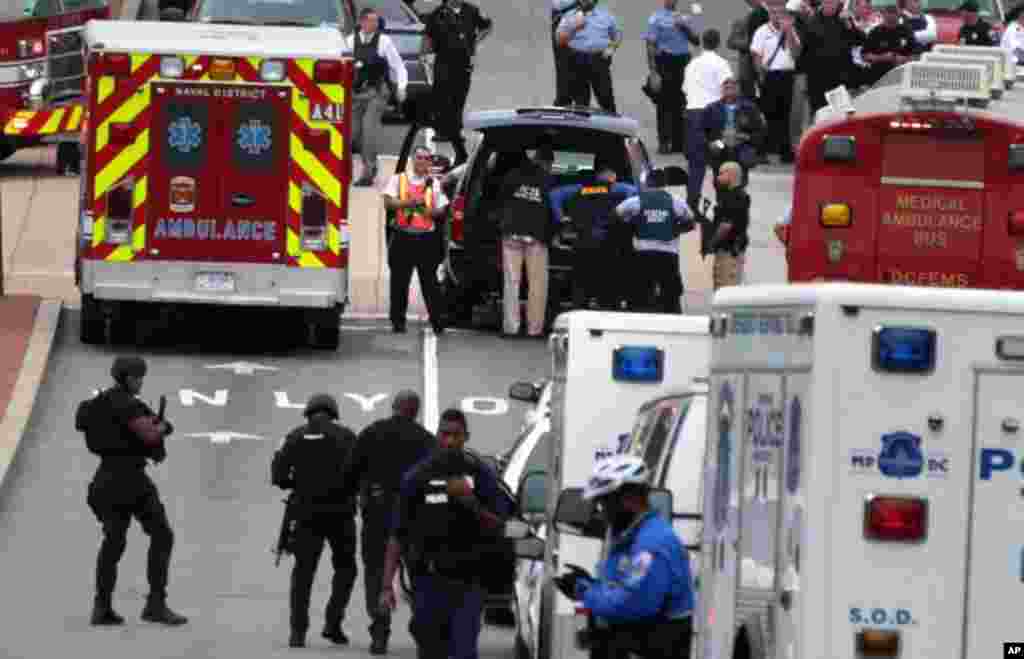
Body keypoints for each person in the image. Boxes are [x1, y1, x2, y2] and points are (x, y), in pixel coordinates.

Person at [378, 408, 513, 659]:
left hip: (468, 580)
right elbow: (397, 534)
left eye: (456, 435)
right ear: (438, 435)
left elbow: (501, 526)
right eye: (445, 434)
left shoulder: (480, 475)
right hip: (428, 581)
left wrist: (472, 504)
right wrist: (387, 586)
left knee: (463, 651)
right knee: (431, 651)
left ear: (466, 437)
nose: (450, 440)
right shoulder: (417, 477)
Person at [553, 455, 695, 659]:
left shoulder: (650, 545)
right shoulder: (633, 537)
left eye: (605, 503)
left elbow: (630, 603)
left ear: (630, 499)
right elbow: (623, 585)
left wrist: (584, 591)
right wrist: (592, 584)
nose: (602, 514)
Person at [84, 356, 187, 627]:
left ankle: (102, 606)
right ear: (127, 378)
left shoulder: (99, 402)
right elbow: (150, 435)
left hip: (104, 479)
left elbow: (84, 422)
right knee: (163, 535)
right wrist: (162, 427)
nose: (141, 381)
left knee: (113, 542)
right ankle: (155, 604)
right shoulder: (129, 404)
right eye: (139, 377)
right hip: (130, 480)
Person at [337, 390, 437, 655]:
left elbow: (349, 472)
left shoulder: (371, 433)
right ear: (415, 411)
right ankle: (422, 633)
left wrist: (357, 495)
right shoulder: (426, 440)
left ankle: (380, 631)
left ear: (393, 407)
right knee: (419, 575)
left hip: (378, 516)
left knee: (375, 573)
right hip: (416, 519)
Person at [272, 394, 359, 649]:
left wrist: (297, 484)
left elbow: (278, 476)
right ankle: (333, 623)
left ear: (308, 413)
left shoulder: (294, 436)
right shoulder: (347, 436)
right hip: (340, 513)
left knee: (303, 573)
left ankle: (297, 632)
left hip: (305, 512)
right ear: (333, 413)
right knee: (346, 568)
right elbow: (358, 472)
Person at [382, 145, 450, 335]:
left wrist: (432, 212)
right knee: (399, 283)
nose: (422, 161)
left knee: (430, 283)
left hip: (425, 240)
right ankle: (398, 322)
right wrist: (408, 203)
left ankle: (438, 322)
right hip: (403, 237)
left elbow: (442, 209)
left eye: (427, 158)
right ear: (413, 159)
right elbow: (387, 202)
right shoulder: (399, 179)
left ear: (430, 162)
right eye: (419, 157)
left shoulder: (434, 183)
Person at [551, 166, 638, 310]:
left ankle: (579, 318)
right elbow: (633, 193)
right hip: (608, 247)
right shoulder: (618, 189)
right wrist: (626, 216)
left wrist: (561, 218)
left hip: (583, 244)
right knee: (608, 291)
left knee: (580, 289)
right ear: (612, 179)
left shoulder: (580, 189)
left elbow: (554, 195)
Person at [496, 146, 557, 338]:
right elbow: (552, 211)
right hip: (536, 236)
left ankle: (511, 327)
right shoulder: (549, 180)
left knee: (511, 282)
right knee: (537, 284)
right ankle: (534, 329)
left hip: (511, 233)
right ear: (546, 163)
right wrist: (553, 234)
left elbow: (500, 201)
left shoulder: (512, 175)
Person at [422, 0, 493, 166]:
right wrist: (426, 56)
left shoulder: (472, 11)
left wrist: (475, 41)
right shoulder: (437, 14)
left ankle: (455, 137)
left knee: (458, 99)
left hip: (463, 64)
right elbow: (428, 38)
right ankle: (451, 135)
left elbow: (487, 25)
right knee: (443, 102)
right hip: (443, 64)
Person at [614, 169, 694, 314]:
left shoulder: (636, 201)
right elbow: (690, 221)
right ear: (665, 184)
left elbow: (617, 214)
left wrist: (631, 226)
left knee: (640, 295)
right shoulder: (676, 201)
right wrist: (676, 230)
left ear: (647, 183)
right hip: (668, 255)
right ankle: (673, 321)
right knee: (671, 295)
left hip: (643, 255)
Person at [347, 8, 409, 187]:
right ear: (361, 22)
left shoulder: (384, 41)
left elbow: (399, 67)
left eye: (376, 21)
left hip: (377, 93)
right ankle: (345, 172)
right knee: (350, 134)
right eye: (371, 21)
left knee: (368, 130)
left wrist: (402, 88)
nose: (375, 24)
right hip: (357, 93)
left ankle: (368, 171)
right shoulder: (350, 41)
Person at [683, 28, 734, 207]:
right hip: (713, 117)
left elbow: (686, 90)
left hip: (693, 117)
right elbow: (727, 90)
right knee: (720, 160)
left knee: (696, 165)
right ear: (718, 43)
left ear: (702, 42)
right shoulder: (722, 64)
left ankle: (691, 205)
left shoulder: (691, 65)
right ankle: (724, 202)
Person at [643, 0, 701, 154]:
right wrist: (653, 72)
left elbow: (696, 41)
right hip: (665, 61)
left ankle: (678, 142)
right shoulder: (656, 18)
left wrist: (685, 27)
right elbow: (650, 45)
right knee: (663, 103)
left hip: (683, 62)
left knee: (682, 103)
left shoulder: (685, 18)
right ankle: (663, 141)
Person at [750, 3, 802, 164]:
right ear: (769, 15)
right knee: (767, 114)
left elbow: (796, 53)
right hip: (769, 75)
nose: (777, 16)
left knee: (785, 114)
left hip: (786, 75)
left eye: (780, 13)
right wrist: (760, 75)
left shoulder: (790, 31)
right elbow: (756, 56)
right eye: (774, 13)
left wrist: (788, 33)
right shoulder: (762, 31)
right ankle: (762, 151)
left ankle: (785, 152)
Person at [799, 0, 864, 114]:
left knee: (842, 118)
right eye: (827, 2)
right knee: (820, 118)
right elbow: (804, 53)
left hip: (841, 80)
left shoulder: (845, 17)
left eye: (832, 1)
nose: (829, 4)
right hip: (818, 82)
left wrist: (849, 25)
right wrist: (803, 79)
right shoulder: (812, 20)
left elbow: (860, 41)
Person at [557, 0, 622, 112]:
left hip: (599, 60)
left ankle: (611, 125)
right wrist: (574, 27)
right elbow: (559, 39)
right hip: (576, 60)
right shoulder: (569, 16)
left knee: (606, 97)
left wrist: (611, 48)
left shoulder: (606, 16)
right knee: (580, 102)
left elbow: (617, 35)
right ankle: (582, 126)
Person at [703, 76, 765, 189]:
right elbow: (704, 132)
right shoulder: (711, 108)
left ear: (739, 89)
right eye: (726, 87)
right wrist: (711, 143)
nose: (729, 89)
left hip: (741, 144)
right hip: (721, 143)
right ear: (721, 90)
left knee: (739, 184)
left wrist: (747, 137)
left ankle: (739, 193)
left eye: (733, 87)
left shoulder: (750, 108)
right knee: (721, 184)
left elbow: (760, 132)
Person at [708, 162, 751, 290]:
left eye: (721, 174)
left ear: (731, 175)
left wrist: (712, 243)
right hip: (728, 250)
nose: (717, 177)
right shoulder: (733, 195)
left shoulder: (734, 197)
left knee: (725, 289)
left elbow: (726, 226)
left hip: (729, 252)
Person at [860, 2, 916, 86]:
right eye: (889, 13)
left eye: (894, 13)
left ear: (899, 15)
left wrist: (903, 59)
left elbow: (916, 56)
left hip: (901, 78)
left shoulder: (907, 31)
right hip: (878, 78)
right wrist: (881, 57)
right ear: (883, 15)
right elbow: (864, 55)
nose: (891, 16)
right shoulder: (875, 32)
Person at [551, 0, 579, 106]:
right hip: (560, 12)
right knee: (562, 63)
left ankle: (575, 102)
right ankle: (563, 99)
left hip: (574, 9)